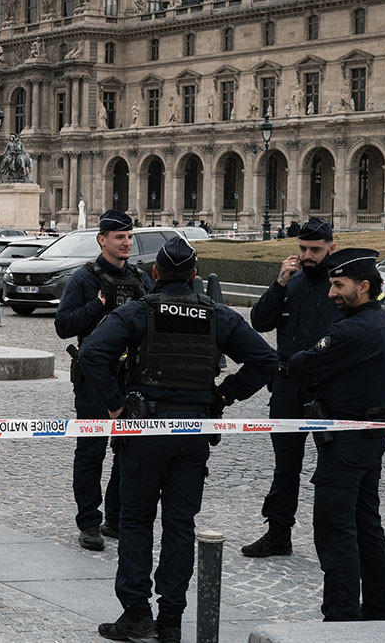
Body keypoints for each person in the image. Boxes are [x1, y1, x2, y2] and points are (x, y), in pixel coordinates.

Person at [80, 237, 277, 642]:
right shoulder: (216, 314)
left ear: (155, 274)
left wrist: (115, 405)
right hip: (194, 433)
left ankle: (136, 613)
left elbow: (92, 354)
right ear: (194, 274)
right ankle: (171, 619)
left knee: (135, 522)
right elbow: (264, 360)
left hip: (145, 430)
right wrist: (223, 395)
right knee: (180, 524)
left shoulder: (139, 311)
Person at [287, 248, 385, 622]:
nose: (331, 293)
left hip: (344, 442)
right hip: (371, 436)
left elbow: (301, 366)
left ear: (365, 286)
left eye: (339, 285)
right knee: (367, 525)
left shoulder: (351, 331)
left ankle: (340, 615)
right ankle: (379, 608)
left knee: (335, 530)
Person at [54, 210, 150, 551]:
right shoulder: (84, 278)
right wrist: (97, 306)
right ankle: (89, 522)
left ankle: (115, 518)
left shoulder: (140, 278)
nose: (126, 243)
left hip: (132, 376)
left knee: (128, 450)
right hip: (95, 377)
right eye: (119, 237)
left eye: (129, 237)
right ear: (102, 239)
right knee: (91, 451)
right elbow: (64, 325)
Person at [243, 217, 337, 559]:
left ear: (331, 248)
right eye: (302, 249)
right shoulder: (291, 281)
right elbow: (260, 321)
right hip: (287, 384)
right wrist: (280, 283)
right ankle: (278, 533)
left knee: (332, 466)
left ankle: (332, 538)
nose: (308, 256)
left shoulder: (339, 283)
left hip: (326, 387)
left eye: (315, 249)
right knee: (285, 465)